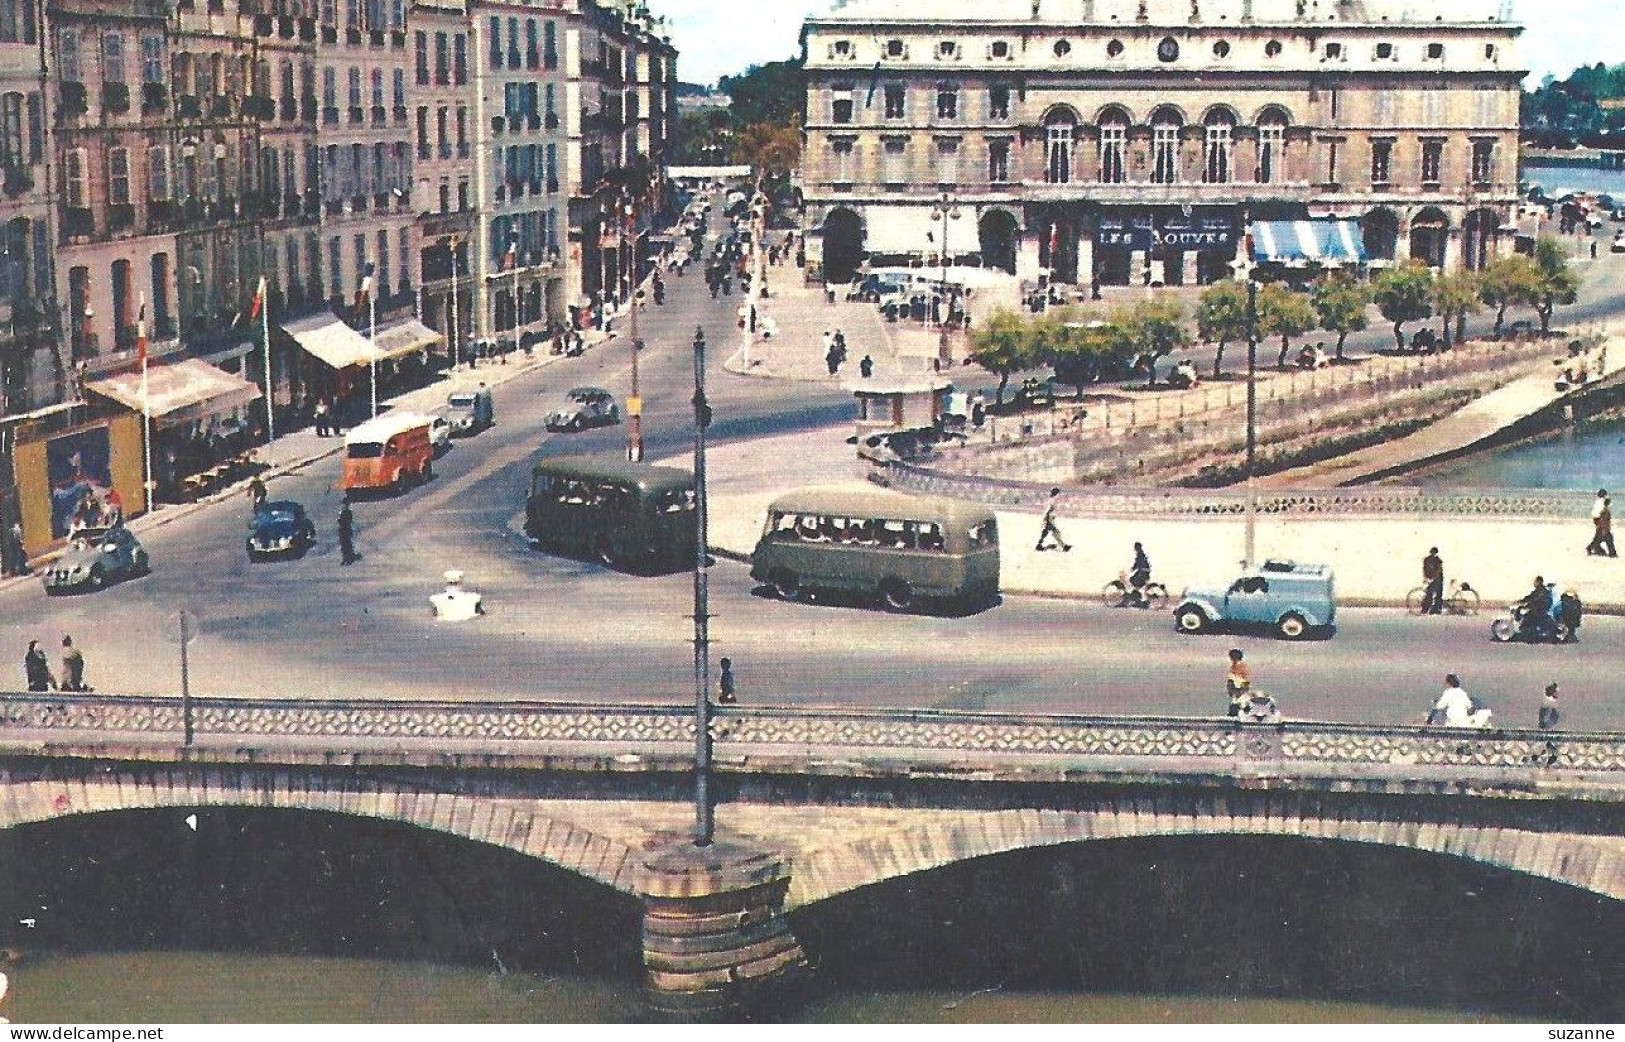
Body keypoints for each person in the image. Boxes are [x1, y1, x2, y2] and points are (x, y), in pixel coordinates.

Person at [1035, 488, 1071, 553]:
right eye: (1058, 494)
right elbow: (1047, 510)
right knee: (1055, 533)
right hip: (1049, 519)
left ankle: (1039, 545)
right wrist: (1043, 519)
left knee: (1047, 532)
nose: (1059, 495)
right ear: (1056, 494)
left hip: (1049, 519)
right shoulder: (1052, 501)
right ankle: (1064, 547)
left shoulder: (1051, 500)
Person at [1518, 576, 1553, 640]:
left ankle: (1532, 635)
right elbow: (1530, 597)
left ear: (1539, 582)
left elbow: (1533, 599)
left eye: (1535, 581)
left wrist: (1526, 604)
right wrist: (1523, 601)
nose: (1534, 583)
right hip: (1538, 609)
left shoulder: (1541, 591)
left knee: (1528, 618)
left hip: (1539, 610)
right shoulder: (1539, 590)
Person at [1586, 492, 1617, 557]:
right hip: (1603, 528)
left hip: (1601, 527)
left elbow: (1596, 517)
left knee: (1598, 540)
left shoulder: (1600, 505)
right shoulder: (1604, 509)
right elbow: (1603, 520)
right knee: (1608, 539)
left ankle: (1591, 548)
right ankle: (1612, 554)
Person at [1225, 649, 1251, 718]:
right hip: (1236, 692)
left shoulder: (1241, 667)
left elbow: (1244, 681)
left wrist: (1240, 690)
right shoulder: (1233, 667)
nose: (1231, 658)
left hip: (1240, 691)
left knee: (1240, 706)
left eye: (1233, 656)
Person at [1421, 547, 1444, 615]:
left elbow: (1438, 570)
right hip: (1434, 578)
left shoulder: (1434, 560)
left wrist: (1428, 577)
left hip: (1436, 578)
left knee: (1434, 595)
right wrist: (1427, 577)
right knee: (1430, 594)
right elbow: (1425, 569)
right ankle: (1432, 609)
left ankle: (1432, 610)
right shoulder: (1434, 560)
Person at [337, 501, 358, 565]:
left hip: (346, 530)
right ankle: (346, 558)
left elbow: (347, 521)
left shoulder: (347, 512)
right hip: (343, 531)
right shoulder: (343, 512)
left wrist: (340, 521)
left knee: (347, 545)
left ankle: (349, 558)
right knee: (344, 545)